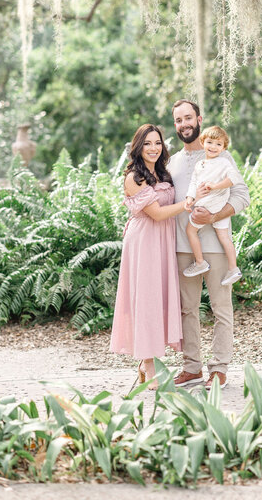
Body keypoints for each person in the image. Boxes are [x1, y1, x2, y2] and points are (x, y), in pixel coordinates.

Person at [169, 100, 250, 390]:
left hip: (215, 244)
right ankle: (191, 367)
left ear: (199, 120)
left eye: (188, 117)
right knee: (187, 309)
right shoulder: (173, 162)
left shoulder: (222, 157)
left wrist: (215, 215)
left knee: (221, 307)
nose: (184, 124)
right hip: (182, 245)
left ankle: (219, 368)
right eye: (178, 120)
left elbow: (242, 197)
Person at [110, 124, 188, 390]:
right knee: (145, 300)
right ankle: (149, 365)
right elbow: (155, 213)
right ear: (138, 147)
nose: (154, 148)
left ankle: (148, 364)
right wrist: (189, 203)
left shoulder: (162, 172)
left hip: (163, 240)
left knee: (160, 298)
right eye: (148, 144)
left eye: (158, 143)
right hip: (144, 241)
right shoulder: (134, 177)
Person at [184, 125, 242, 286]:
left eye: (218, 144)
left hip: (210, 206)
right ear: (202, 143)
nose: (214, 147)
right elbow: (194, 183)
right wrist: (190, 198)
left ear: (224, 148)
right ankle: (233, 268)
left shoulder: (224, 162)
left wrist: (215, 186)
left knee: (190, 230)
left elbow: (233, 179)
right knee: (224, 237)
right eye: (210, 142)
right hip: (220, 207)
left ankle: (200, 261)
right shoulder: (200, 164)